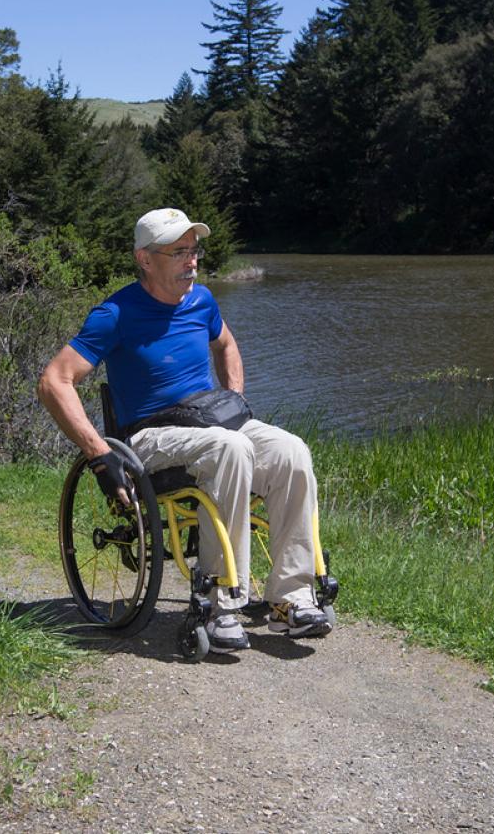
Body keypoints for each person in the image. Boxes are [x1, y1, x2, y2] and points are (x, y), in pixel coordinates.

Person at [37, 208, 331, 652]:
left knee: (291, 451)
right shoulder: (115, 314)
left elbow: (226, 344)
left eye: (193, 251)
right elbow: (54, 380)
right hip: (151, 437)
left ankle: (291, 597)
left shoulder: (203, 301)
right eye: (178, 252)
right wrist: (99, 454)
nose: (191, 261)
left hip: (210, 422)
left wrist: (237, 401)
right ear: (144, 258)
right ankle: (220, 602)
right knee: (230, 448)